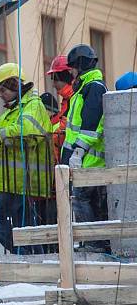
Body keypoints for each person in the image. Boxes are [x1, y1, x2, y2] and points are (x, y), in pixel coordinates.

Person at [0, 63, 52, 253]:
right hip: (13, 181)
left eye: (3, 89)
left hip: (26, 179)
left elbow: (26, 133)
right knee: (25, 225)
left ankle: (24, 254)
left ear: (14, 84)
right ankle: (30, 255)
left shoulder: (33, 105)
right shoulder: (9, 114)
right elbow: (1, 146)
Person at [61, 44, 108, 250]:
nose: (70, 71)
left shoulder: (94, 87)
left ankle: (94, 242)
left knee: (81, 199)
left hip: (89, 158)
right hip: (84, 157)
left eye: (72, 67)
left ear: (80, 65)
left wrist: (78, 152)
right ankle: (95, 241)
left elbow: (91, 125)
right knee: (88, 201)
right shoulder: (84, 88)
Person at [46, 55, 75, 154]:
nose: (53, 85)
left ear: (65, 78)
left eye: (55, 79)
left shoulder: (73, 98)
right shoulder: (67, 99)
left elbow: (63, 130)